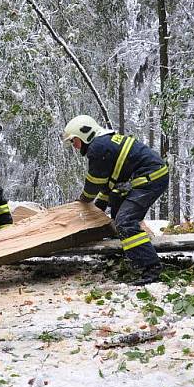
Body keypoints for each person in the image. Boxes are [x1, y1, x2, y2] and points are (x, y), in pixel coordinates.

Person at [63, 115, 169, 285]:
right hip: (144, 178)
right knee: (116, 215)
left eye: (74, 141)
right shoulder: (105, 143)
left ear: (84, 134)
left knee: (124, 222)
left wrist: (83, 201)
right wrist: (96, 213)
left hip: (149, 179)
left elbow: (93, 185)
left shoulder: (97, 148)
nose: (74, 146)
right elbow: (106, 187)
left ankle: (151, 268)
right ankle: (126, 255)